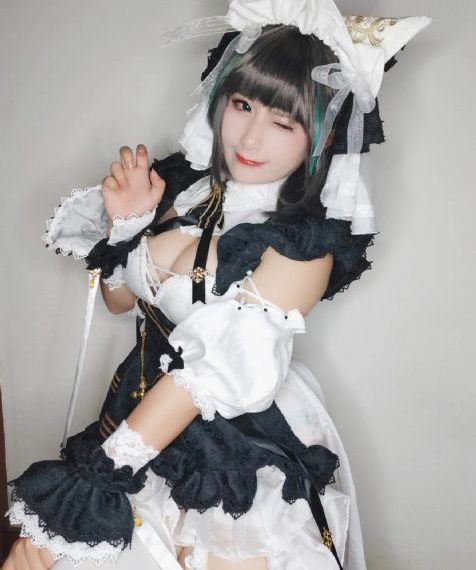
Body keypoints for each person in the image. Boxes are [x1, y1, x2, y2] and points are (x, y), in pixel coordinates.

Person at [3, 2, 430, 570]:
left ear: (321, 136)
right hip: (137, 417)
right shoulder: (183, 189)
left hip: (230, 449)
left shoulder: (301, 245)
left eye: (283, 123)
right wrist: (127, 227)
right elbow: (121, 300)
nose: (250, 137)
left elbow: (206, 377)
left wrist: (100, 478)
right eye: (243, 105)